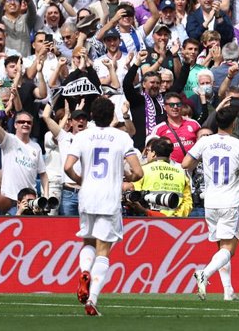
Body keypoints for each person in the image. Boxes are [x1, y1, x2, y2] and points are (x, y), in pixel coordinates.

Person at [64, 97, 143, 316]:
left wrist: (81, 180)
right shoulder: (121, 137)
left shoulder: (82, 136)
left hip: (87, 195)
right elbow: (138, 173)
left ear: (91, 116)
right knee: (104, 251)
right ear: (111, 116)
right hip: (109, 196)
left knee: (87, 241)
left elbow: (67, 166)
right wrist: (125, 174)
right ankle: (92, 299)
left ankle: (84, 272)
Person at [182, 106, 239, 301]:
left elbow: (184, 163)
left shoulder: (205, 142)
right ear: (234, 124)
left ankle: (228, 291)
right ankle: (205, 274)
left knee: (221, 248)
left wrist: (198, 162)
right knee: (228, 249)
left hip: (210, 202)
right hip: (229, 201)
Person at [0, 111, 48, 214]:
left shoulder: (36, 147)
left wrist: (46, 196)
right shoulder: (9, 140)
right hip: (10, 200)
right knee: (8, 230)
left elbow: (43, 174)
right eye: (21, 122)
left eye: (28, 122)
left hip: (30, 201)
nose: (25, 124)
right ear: (15, 125)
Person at [131, 137, 192, 217]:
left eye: (148, 151)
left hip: (148, 221)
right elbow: (187, 202)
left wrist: (147, 212)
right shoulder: (181, 173)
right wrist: (176, 217)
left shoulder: (142, 170)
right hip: (175, 223)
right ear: (169, 154)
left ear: (153, 153)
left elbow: (135, 197)